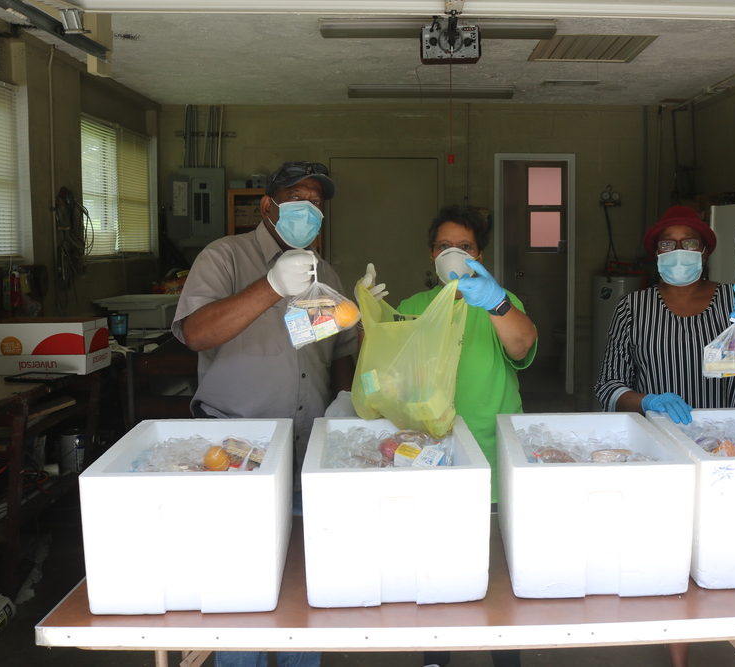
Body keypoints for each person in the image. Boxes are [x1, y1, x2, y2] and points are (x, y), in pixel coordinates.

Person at [594, 205, 735, 667]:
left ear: (705, 251)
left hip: (728, 450)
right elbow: (607, 385)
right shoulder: (633, 307)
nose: (679, 252)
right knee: (671, 552)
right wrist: (645, 401)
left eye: (690, 244)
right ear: (655, 254)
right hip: (660, 449)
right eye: (668, 245)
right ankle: (678, 657)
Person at [173, 161, 356, 667]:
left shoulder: (327, 272)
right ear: (268, 205)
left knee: (306, 578)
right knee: (240, 586)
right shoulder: (224, 256)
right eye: (298, 198)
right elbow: (196, 333)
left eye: (318, 201)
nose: (310, 209)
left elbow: (337, 350)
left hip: (308, 446)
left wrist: (343, 404)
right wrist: (271, 286)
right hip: (236, 448)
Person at [361, 204, 537, 667]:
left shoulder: (499, 302)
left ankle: (506, 656)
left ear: (481, 255)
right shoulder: (415, 309)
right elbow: (383, 377)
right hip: (434, 457)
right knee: (436, 561)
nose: (454, 254)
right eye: (445, 246)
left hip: (495, 456)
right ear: (430, 253)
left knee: (499, 571)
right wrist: (372, 318)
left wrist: (497, 303)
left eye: (466, 247)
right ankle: (437, 655)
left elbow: (522, 344)